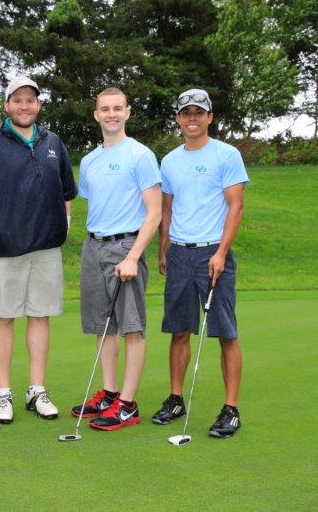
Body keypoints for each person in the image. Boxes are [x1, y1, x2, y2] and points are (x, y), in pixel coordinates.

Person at [0, 76, 77, 424]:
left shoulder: (53, 142)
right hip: (4, 247)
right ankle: (3, 393)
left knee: (40, 316)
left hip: (46, 247)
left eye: (30, 100)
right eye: (17, 100)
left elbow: (66, 192)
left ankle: (37, 390)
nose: (24, 106)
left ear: (38, 105)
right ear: (6, 105)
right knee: (2, 319)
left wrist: (64, 226)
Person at [153, 88, 249, 438]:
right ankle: (176, 398)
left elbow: (236, 207)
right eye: (186, 113)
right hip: (179, 253)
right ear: (178, 119)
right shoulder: (169, 161)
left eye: (198, 112)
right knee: (179, 330)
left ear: (210, 117)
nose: (192, 118)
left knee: (225, 332)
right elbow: (167, 208)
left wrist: (221, 252)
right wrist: (164, 249)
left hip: (213, 252)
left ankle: (231, 408)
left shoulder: (226, 155)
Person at [71, 87, 161, 431]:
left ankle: (127, 404)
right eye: (105, 109)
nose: (111, 114)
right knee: (102, 325)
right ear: (96, 114)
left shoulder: (140, 155)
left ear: (127, 112)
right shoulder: (90, 161)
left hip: (125, 248)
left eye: (117, 108)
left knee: (131, 328)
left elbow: (154, 212)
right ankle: (109, 394)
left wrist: (134, 256)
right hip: (93, 247)